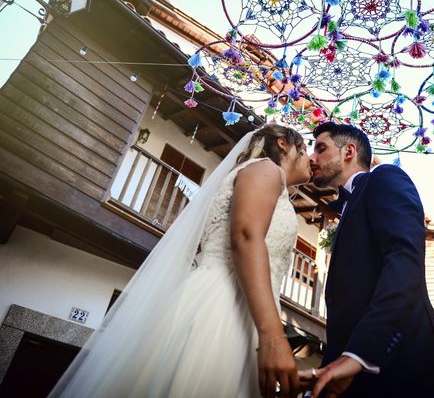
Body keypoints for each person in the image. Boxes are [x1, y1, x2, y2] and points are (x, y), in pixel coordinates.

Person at [50, 124, 311, 398]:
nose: (310, 159)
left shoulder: (267, 180)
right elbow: (246, 236)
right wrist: (273, 337)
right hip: (223, 304)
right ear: (283, 144)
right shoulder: (265, 169)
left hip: (246, 312)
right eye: (304, 151)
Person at [307, 122, 434, 398]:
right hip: (356, 377)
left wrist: (359, 354)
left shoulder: (385, 177)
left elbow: (404, 260)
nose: (311, 157)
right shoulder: (348, 205)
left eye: (320, 148)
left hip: (405, 372)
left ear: (349, 151)